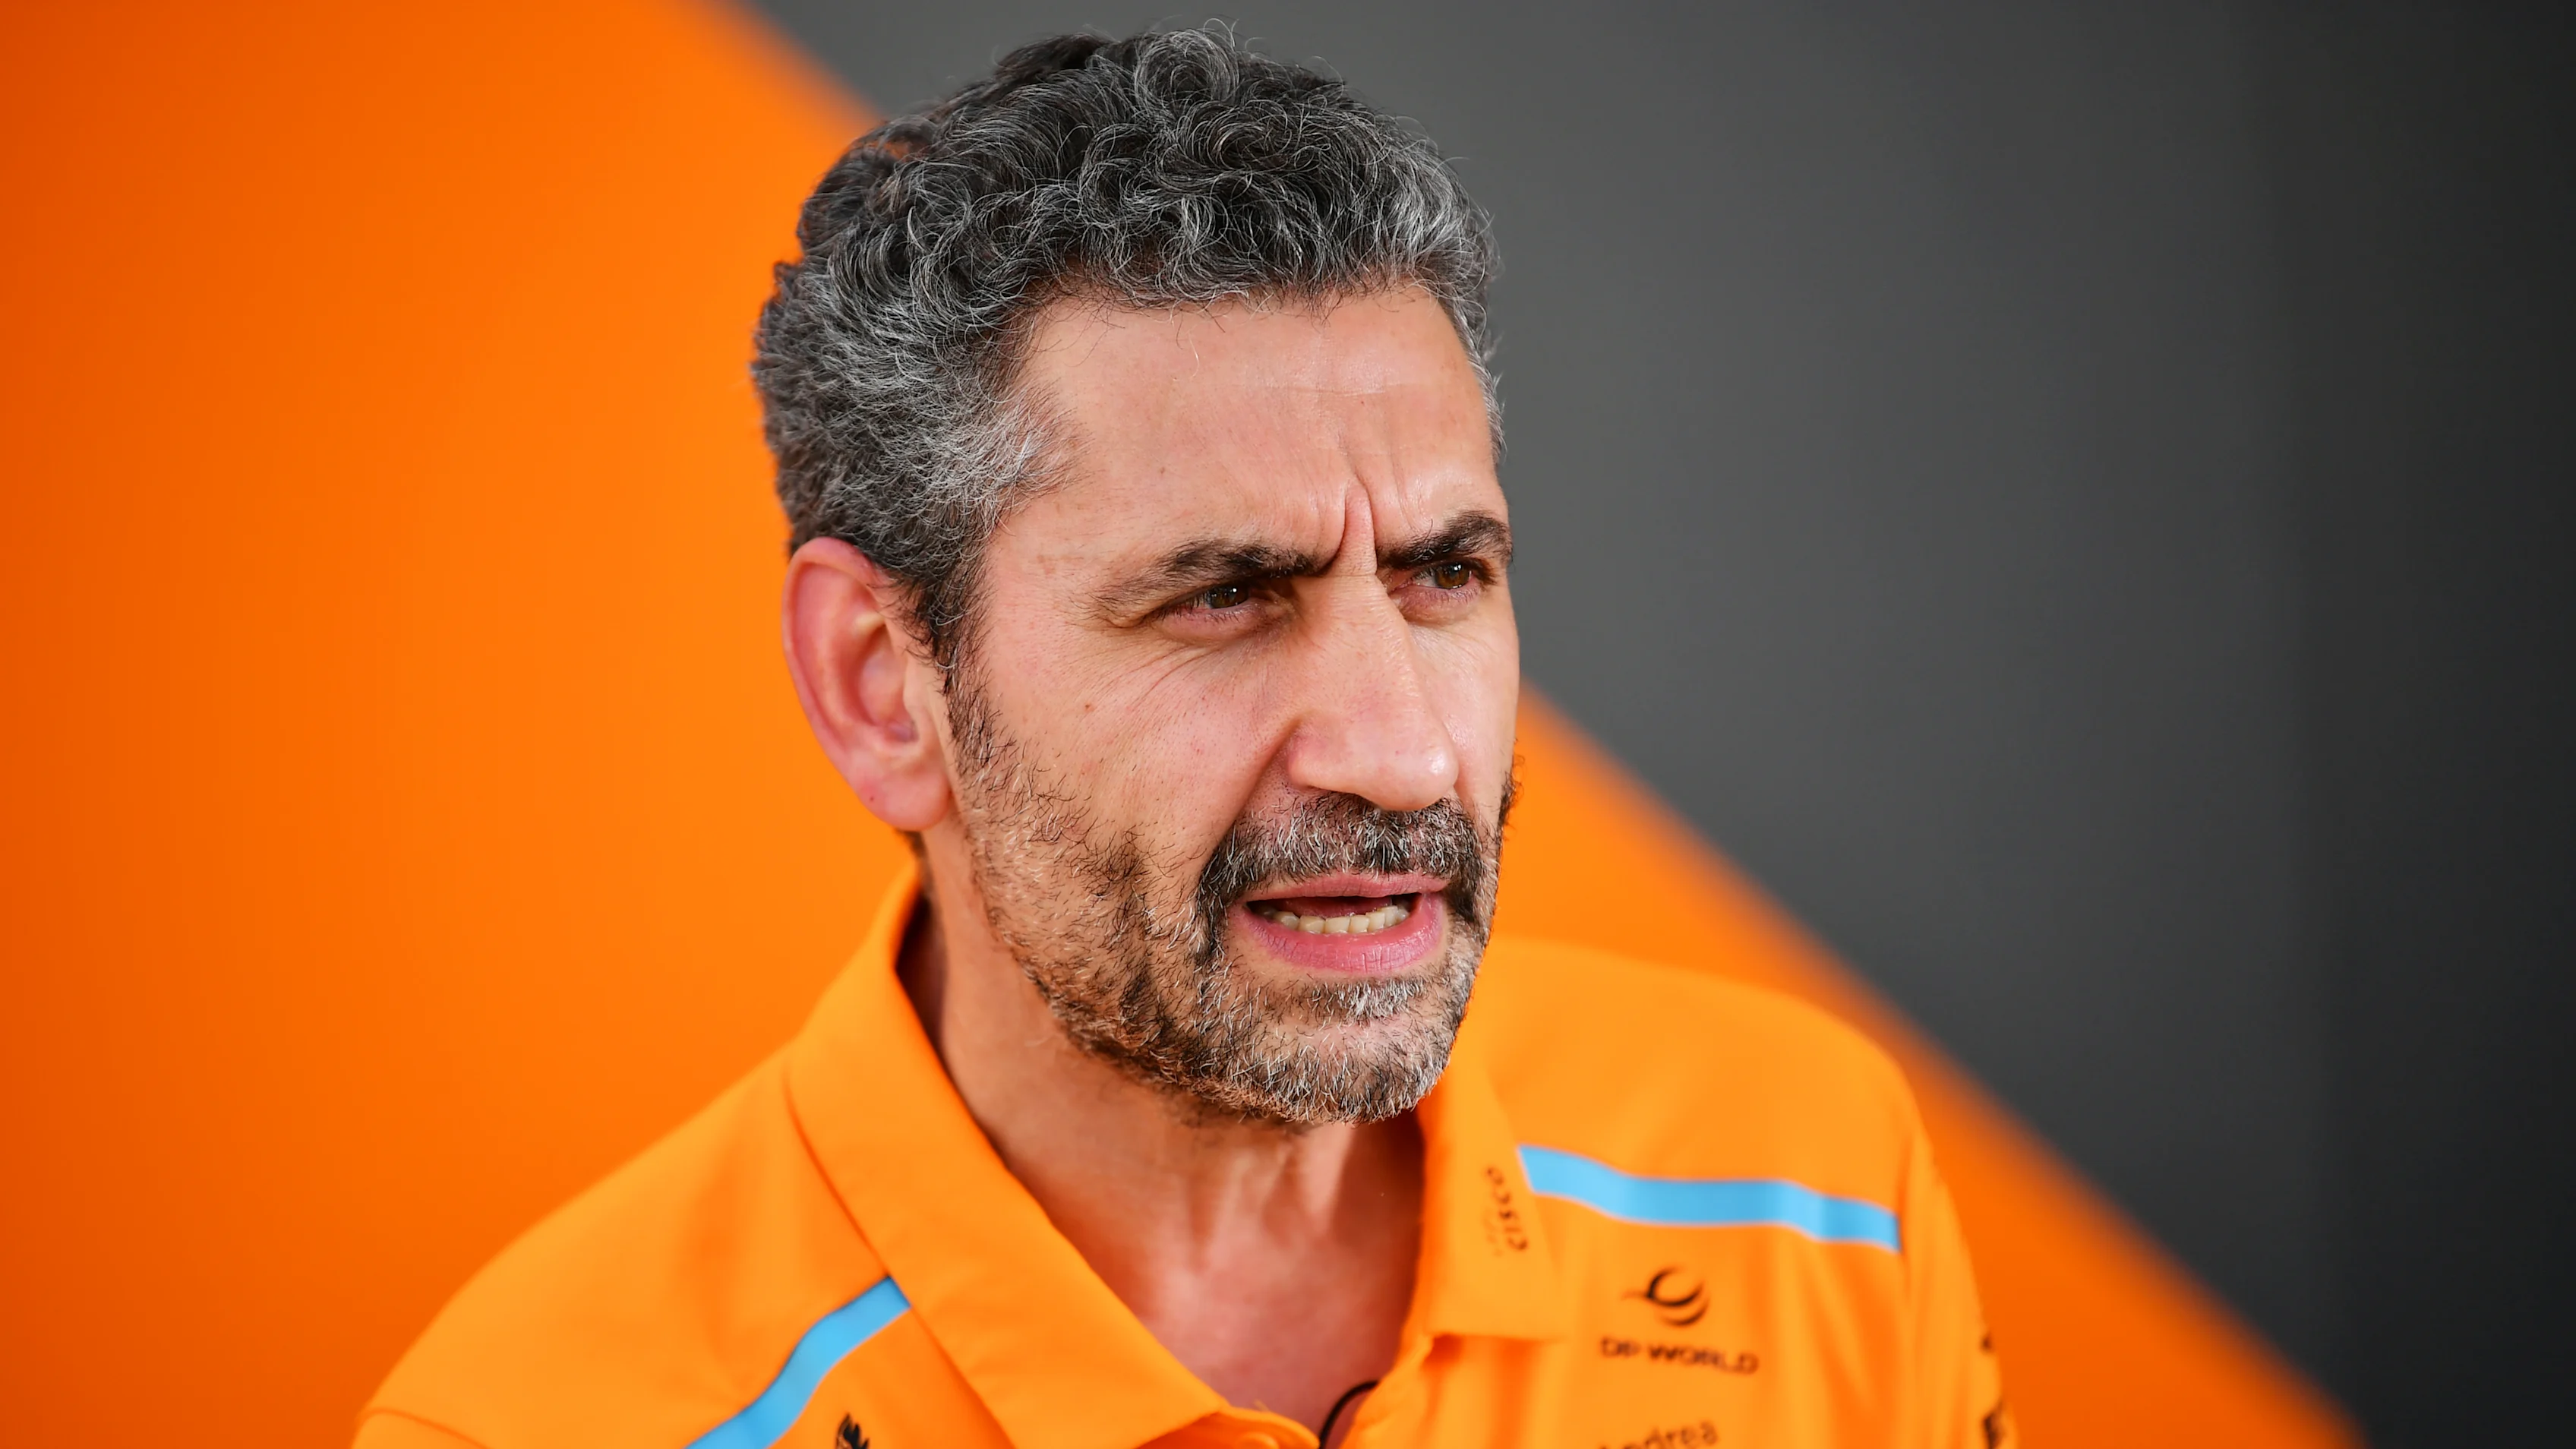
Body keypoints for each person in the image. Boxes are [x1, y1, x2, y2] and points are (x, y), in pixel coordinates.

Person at [357, 27, 2010, 1449]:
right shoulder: (539, 1418)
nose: (1402, 754)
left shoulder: (1808, 1187)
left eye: (1444, 573)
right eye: (1220, 597)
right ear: (883, 683)